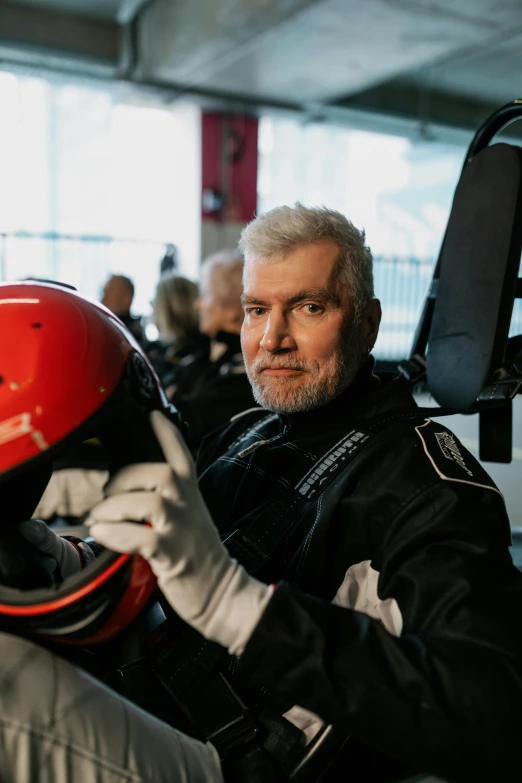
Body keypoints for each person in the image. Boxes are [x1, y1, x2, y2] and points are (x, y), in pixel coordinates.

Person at [0, 205, 521, 783]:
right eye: (256, 310)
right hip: (142, 684)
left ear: (369, 323)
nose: (272, 339)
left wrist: (236, 606)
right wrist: (63, 562)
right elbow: (168, 564)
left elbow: (494, 715)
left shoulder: (426, 487)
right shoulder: (247, 431)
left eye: (309, 307)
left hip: (228, 760)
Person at [170, 249, 255, 448]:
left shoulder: (241, 369)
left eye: (205, 295)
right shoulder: (203, 354)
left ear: (232, 309)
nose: (197, 304)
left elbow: (188, 422)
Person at [146, 274, 208, 397]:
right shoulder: (166, 350)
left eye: (155, 305)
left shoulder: (196, 357)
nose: (153, 319)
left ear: (170, 310)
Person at [101, 273, 145, 344]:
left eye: (109, 292)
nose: (103, 298)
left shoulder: (131, 337)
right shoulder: (102, 327)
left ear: (127, 298)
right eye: (104, 293)